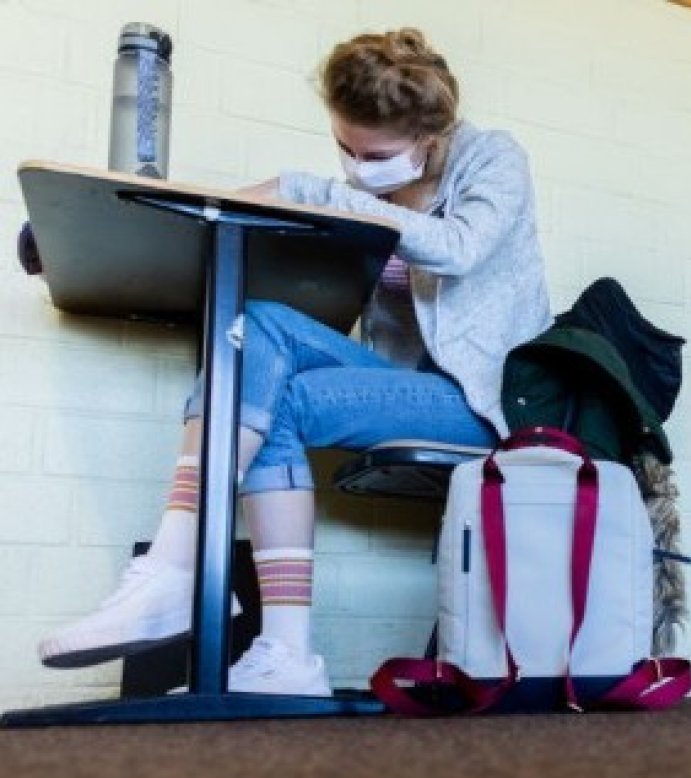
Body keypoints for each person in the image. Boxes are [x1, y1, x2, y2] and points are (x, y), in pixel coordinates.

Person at [37, 28, 551, 696]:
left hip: (483, 399)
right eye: (345, 148)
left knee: (282, 396)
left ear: (430, 136)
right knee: (258, 331)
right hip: (402, 384)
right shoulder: (373, 188)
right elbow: (221, 215)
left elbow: (459, 247)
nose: (358, 168)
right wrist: (87, 232)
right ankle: (250, 627)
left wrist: (319, 192)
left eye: (376, 155)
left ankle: (200, 590)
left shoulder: (492, 158)